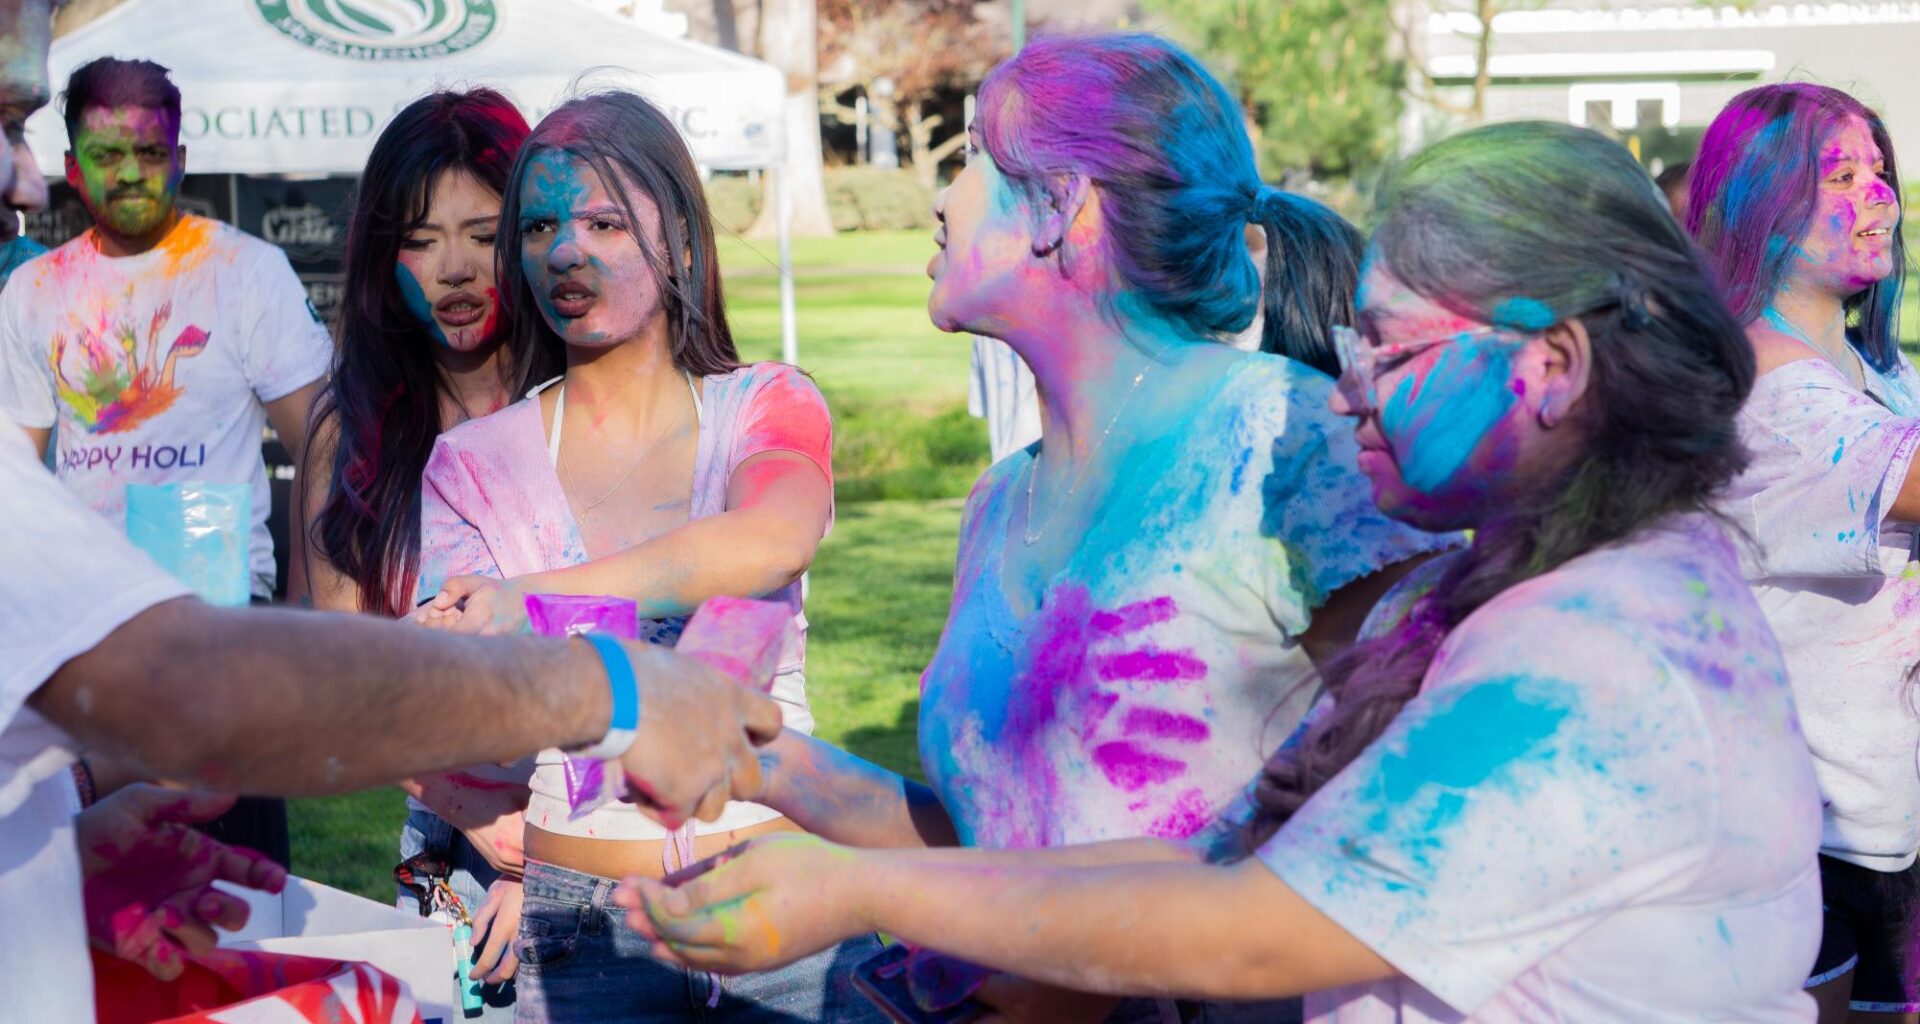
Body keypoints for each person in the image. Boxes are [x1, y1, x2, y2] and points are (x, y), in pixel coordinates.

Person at [624, 119, 1826, 1023]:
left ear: (1555, 365)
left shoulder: (1602, 650)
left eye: (1396, 347)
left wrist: (858, 895)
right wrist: (781, 781)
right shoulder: (1503, 591)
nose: (1348, 380)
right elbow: (1220, 847)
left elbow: (1255, 930)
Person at [675, 33, 1453, 1023]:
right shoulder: (999, 502)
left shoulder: (1288, 439)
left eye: (969, 163)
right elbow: (985, 855)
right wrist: (763, 761)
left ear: (1061, 209)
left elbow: (1415, 821)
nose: (941, 196)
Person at [407, 90, 872, 1023]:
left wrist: (522, 597)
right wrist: (512, 850)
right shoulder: (473, 464)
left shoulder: (764, 405)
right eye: (539, 226)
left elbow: (773, 538)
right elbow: (447, 722)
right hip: (584, 934)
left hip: (780, 903)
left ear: (684, 243)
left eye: (606, 220)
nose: (566, 251)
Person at [0, 56, 334, 864]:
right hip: (89, 642)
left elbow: (324, 447)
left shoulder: (248, 272)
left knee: (237, 894)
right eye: (107, 155)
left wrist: (297, 619)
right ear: (73, 165)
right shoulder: (34, 292)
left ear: (181, 158)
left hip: (221, 630)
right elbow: (16, 480)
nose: (130, 175)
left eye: (150, 153)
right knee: (95, 899)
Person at [287, 88, 537, 1018]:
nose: (456, 268)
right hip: (447, 843)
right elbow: (343, 675)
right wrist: (486, 823)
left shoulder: (586, 403)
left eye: (482, 231)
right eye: (421, 240)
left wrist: (553, 847)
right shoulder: (346, 432)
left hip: (613, 827)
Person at [1688, 83, 1920, 1023]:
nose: (1877, 196)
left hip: (1876, 811)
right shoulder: (1769, 388)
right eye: (1838, 175)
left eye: (1880, 172)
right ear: (1761, 207)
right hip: (1796, 840)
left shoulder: (1877, 372)